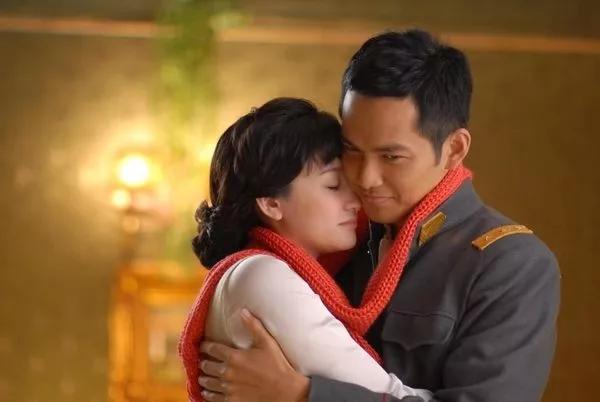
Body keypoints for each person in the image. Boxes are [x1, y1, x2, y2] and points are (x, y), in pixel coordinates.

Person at [197, 29, 560, 402]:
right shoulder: (335, 238)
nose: (366, 179)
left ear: (454, 148)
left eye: (391, 156)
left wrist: (303, 395)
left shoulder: (509, 264)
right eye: (352, 150)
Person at [179, 97, 435, 402]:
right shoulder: (262, 276)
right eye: (333, 185)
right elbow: (387, 395)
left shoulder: (266, 273)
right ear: (271, 203)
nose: (354, 201)